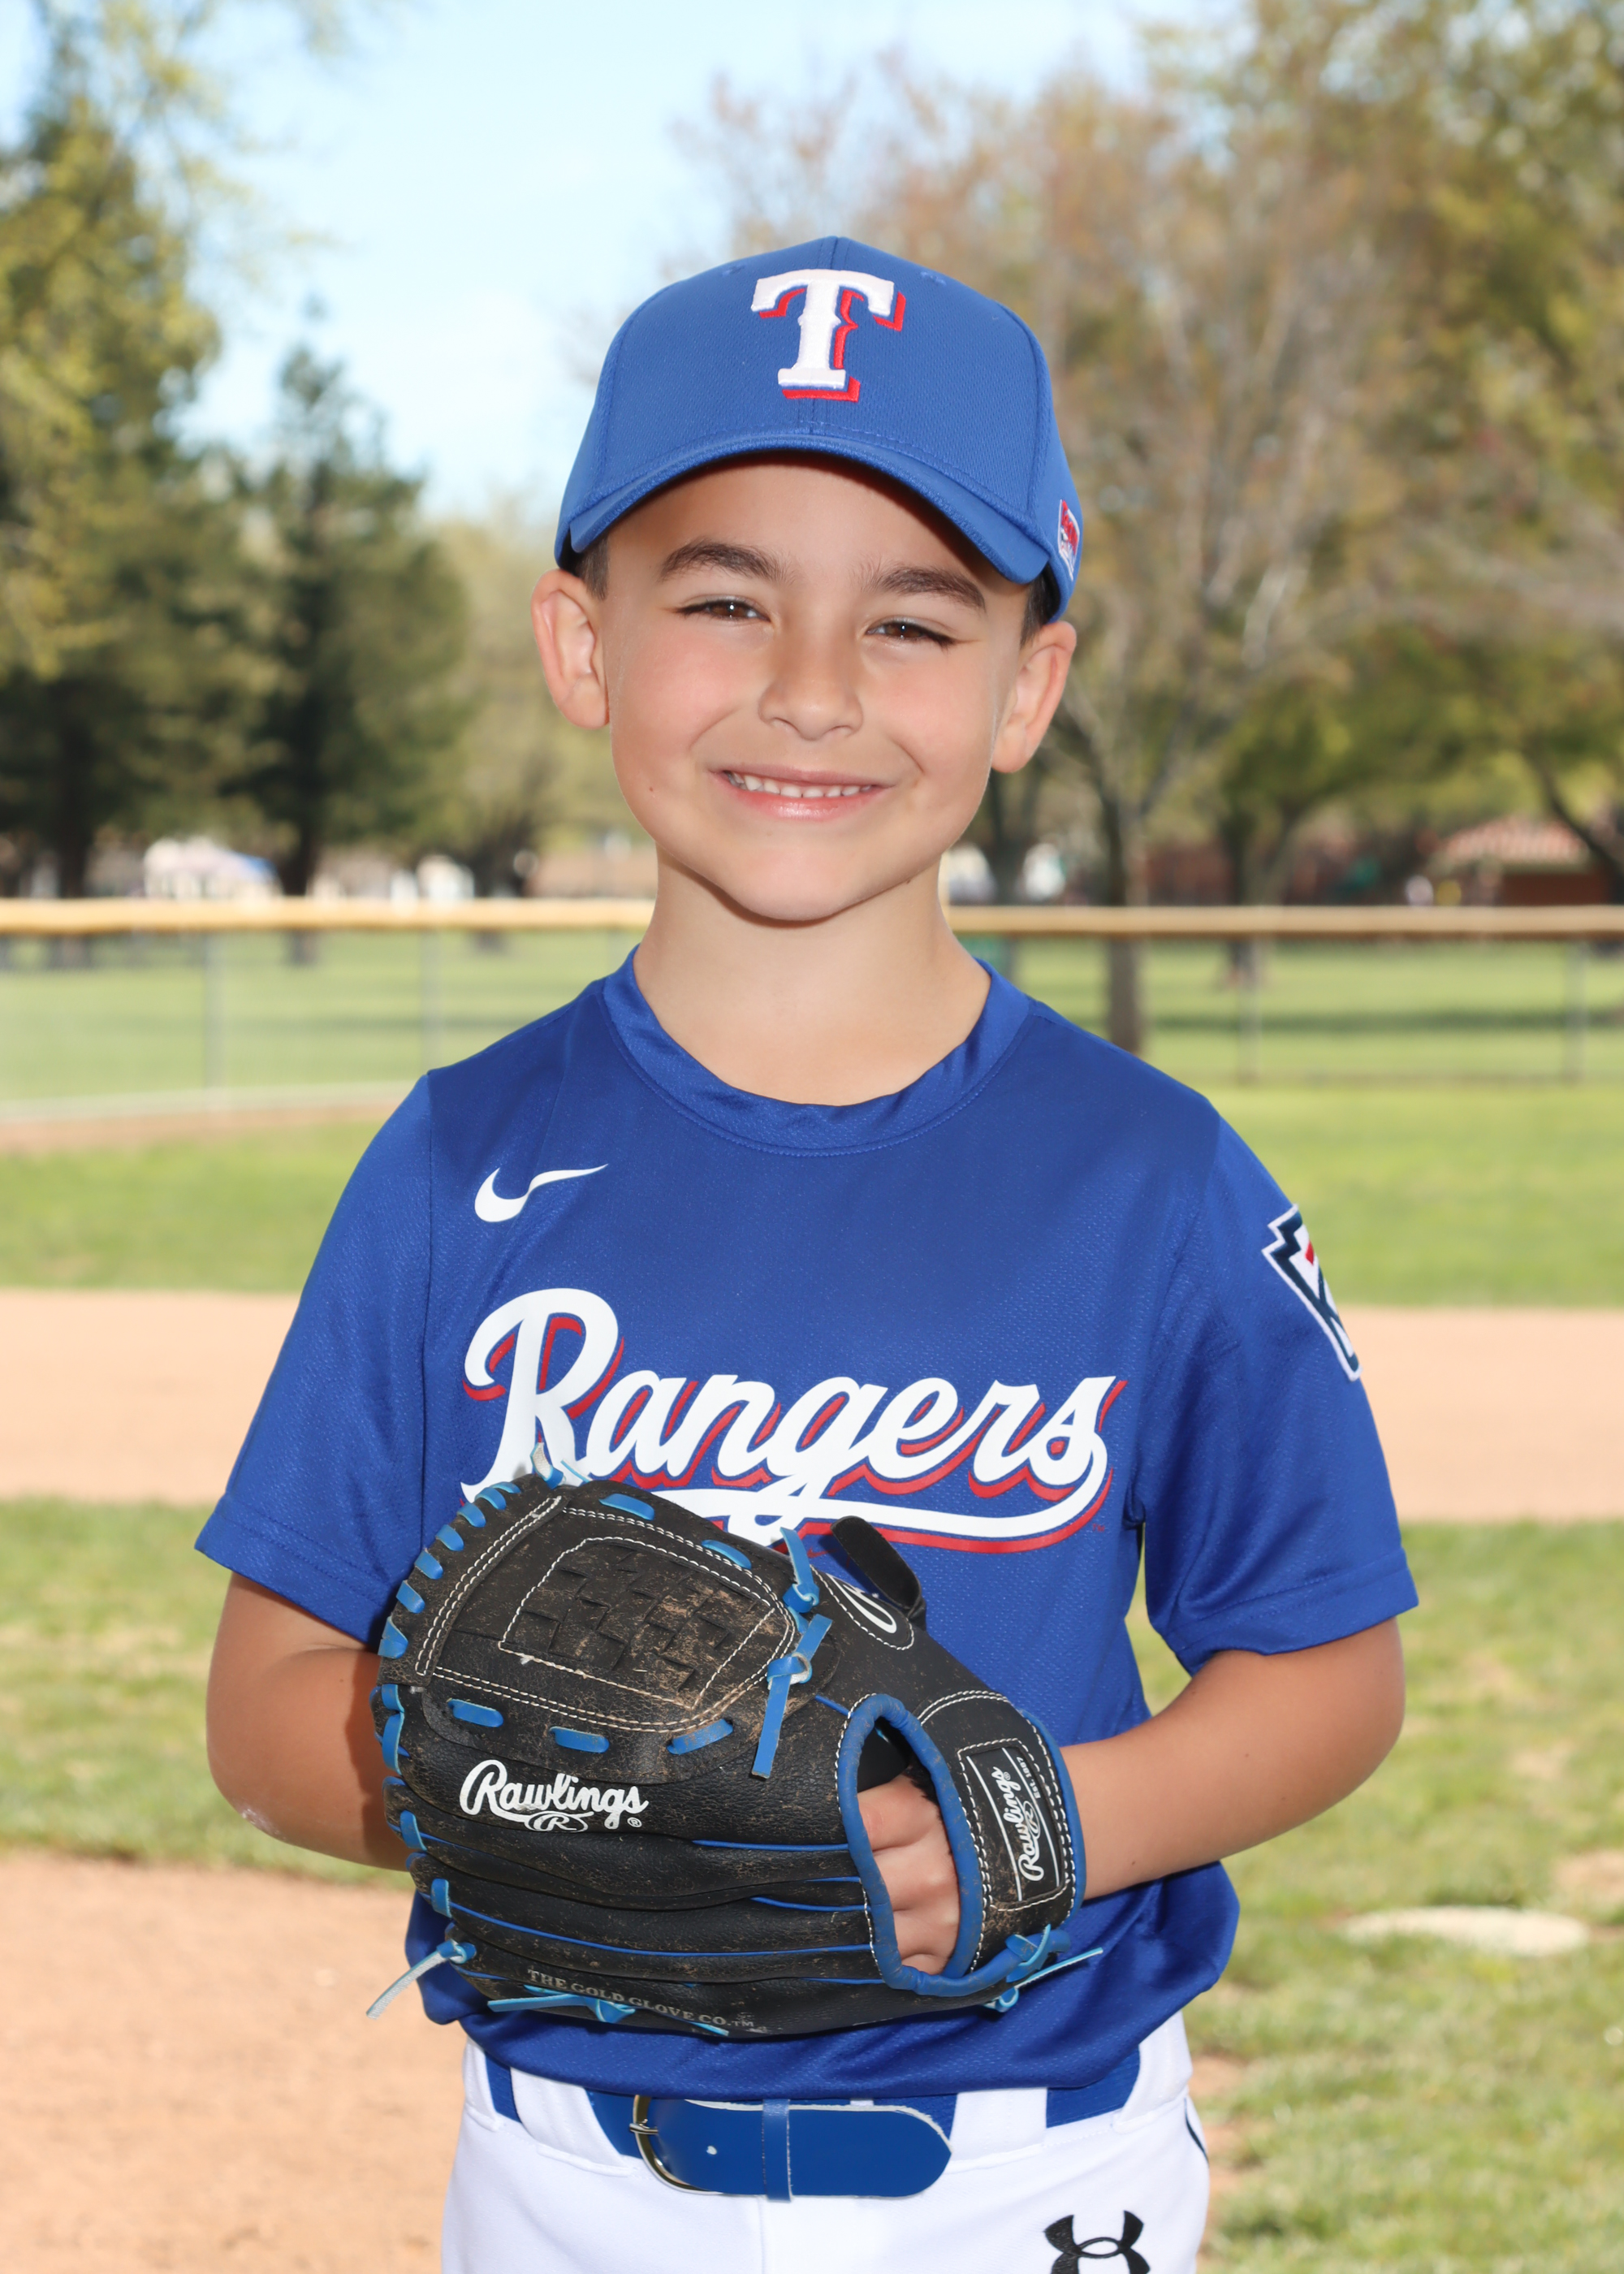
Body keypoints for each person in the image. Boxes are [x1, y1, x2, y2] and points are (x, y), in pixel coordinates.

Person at [202, 238, 1414, 2274]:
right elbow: (263, 1708)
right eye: (725, 599)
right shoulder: (455, 1164)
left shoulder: (1152, 1175)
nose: (813, 688)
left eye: (912, 620)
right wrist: (560, 1809)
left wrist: (1031, 1828)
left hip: (1027, 2179)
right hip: (570, 2182)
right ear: (581, 644)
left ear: (1027, 687)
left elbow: (1327, 1666)